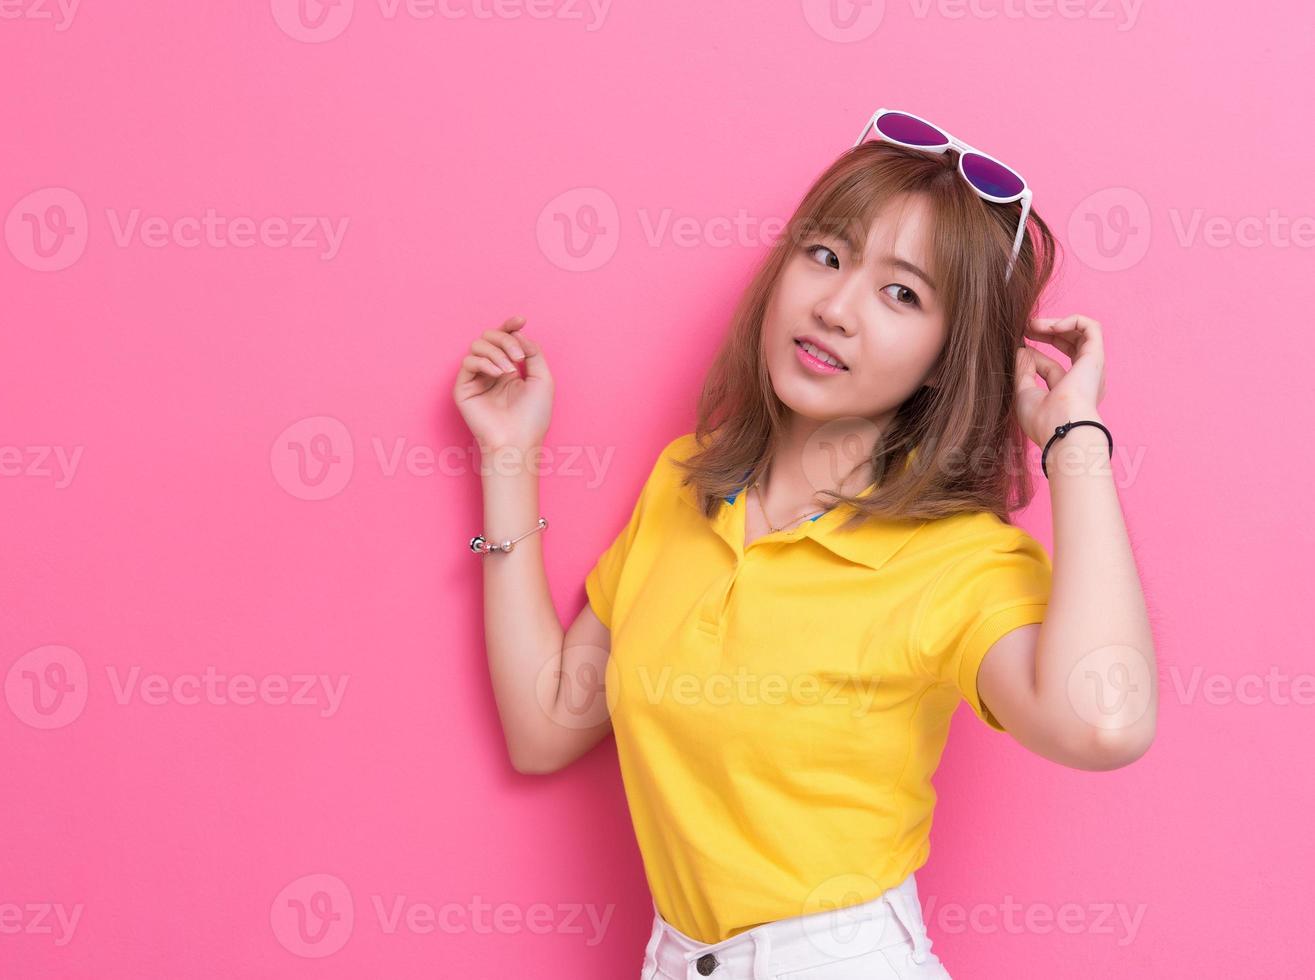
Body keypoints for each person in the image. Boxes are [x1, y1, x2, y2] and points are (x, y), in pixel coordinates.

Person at [452, 109, 1156, 979]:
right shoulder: (685, 483)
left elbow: (1104, 722)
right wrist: (508, 458)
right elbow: (546, 726)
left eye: (901, 293)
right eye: (825, 255)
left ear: (946, 357)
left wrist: (1073, 439)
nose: (834, 307)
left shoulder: (957, 560)